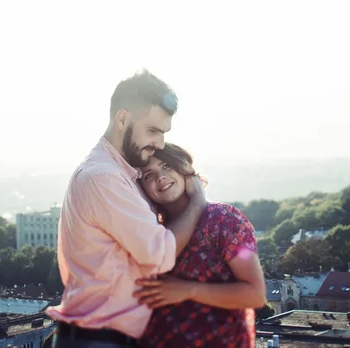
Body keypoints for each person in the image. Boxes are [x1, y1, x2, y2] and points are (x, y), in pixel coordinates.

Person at [45, 70, 207, 348]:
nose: (160, 143)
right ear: (123, 119)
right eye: (153, 131)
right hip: (100, 340)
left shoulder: (122, 175)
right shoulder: (103, 177)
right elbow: (159, 254)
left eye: (164, 133)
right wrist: (197, 203)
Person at [132, 143, 266, 348]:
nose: (160, 177)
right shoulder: (151, 232)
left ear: (184, 168)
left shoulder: (223, 219)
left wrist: (189, 290)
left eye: (167, 166)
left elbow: (255, 295)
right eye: (149, 175)